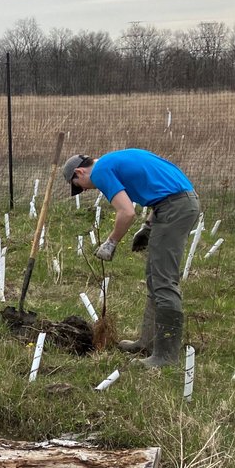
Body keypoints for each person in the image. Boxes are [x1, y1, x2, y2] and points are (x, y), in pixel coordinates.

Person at [62, 148, 199, 368]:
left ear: (79, 172)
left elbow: (126, 212)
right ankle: (148, 342)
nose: (85, 191)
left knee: (164, 281)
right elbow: (162, 186)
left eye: (79, 187)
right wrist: (148, 226)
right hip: (173, 205)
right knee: (155, 277)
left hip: (175, 209)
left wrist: (111, 243)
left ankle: (165, 356)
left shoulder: (100, 171)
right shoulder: (115, 160)